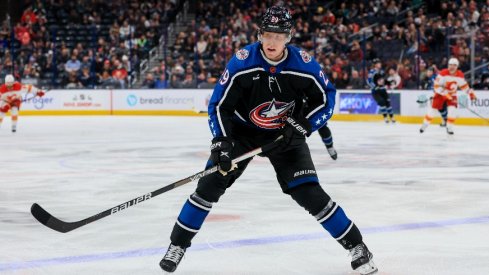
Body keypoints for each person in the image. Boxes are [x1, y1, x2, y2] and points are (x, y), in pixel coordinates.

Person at [159, 6, 377, 275]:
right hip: (241, 133)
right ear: (259, 34)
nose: (272, 41)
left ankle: (357, 246)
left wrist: (302, 126)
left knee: (309, 193)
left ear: (289, 36)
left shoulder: (304, 65)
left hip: (286, 133)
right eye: (267, 34)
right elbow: (218, 105)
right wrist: (222, 142)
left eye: (279, 35)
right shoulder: (242, 62)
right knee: (208, 187)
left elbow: (327, 100)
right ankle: (177, 245)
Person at [420, 58, 476, 135]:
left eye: (454, 65)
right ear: (448, 65)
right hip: (440, 94)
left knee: (453, 110)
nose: (452, 67)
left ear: (457, 66)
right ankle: (425, 124)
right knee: (433, 110)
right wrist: (445, 93)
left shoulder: (460, 75)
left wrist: (470, 93)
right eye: (450, 65)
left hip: (452, 95)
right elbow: (436, 86)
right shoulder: (443, 73)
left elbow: (464, 86)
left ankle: (449, 127)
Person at [367, 59, 395, 123]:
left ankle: (392, 117)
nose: (380, 64)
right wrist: (375, 87)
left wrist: (389, 83)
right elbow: (369, 81)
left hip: (383, 90)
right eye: (379, 63)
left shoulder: (381, 71)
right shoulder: (372, 72)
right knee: (382, 102)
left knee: (388, 102)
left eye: (380, 63)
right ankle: (385, 117)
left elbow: (383, 80)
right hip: (376, 91)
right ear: (375, 65)